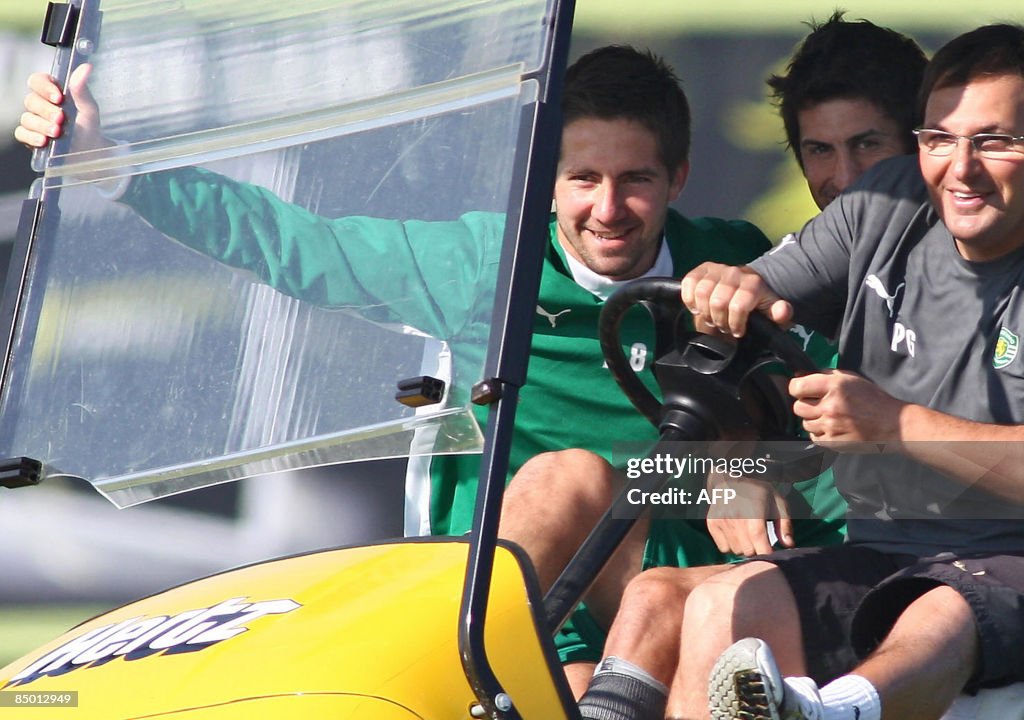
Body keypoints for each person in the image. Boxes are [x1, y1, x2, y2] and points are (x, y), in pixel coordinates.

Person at [15, 44, 771, 690]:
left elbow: (845, 424)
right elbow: (294, 243)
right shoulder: (487, 265)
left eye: (635, 180)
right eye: (583, 179)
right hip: (539, 615)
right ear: (547, 179)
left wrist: (747, 463)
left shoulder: (741, 263)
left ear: (677, 179)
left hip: (677, 598)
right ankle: (448, 666)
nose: (608, 209)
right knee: (564, 482)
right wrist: (113, 168)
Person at [580, 22, 1024, 720]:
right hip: (861, 542)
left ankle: (838, 710)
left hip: (996, 558)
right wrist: (731, 455)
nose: (959, 167)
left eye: (993, 140)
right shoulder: (878, 207)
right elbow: (739, 305)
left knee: (942, 605)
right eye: (939, 140)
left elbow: (869, 434)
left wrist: (894, 425)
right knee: (690, 587)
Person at [497, 15, 928, 706]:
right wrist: (737, 462)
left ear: (923, 143)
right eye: (819, 150)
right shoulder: (797, 263)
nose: (845, 179)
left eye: (867, 145)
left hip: (907, 571)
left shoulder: (973, 270)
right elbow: (737, 351)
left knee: (687, 606)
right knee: (568, 486)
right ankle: (443, 662)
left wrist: (885, 428)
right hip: (776, 559)